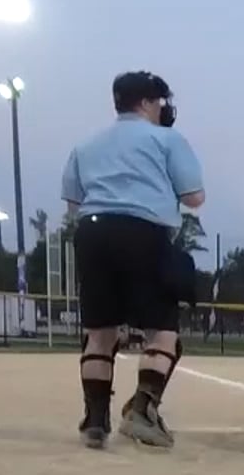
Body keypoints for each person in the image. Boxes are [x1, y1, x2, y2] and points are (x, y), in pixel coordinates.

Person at [60, 70, 204, 450]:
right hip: (144, 232)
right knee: (162, 331)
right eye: (159, 102)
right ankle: (143, 410)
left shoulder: (86, 145)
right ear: (144, 102)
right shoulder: (166, 139)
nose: (162, 109)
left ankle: (95, 421)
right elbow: (194, 198)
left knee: (100, 332)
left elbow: (73, 204)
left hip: (92, 232)